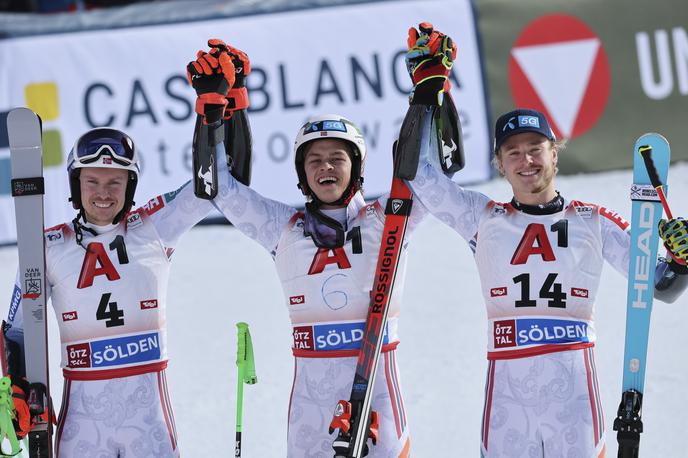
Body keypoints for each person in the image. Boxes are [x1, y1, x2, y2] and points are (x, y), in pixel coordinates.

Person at [404, 26, 688, 457]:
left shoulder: (593, 221)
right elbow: (420, 176)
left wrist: (682, 260)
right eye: (513, 152)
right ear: (500, 164)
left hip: (573, 395)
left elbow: (660, 287)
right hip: (507, 395)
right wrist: (429, 89)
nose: (527, 160)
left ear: (556, 152)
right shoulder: (483, 219)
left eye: (536, 148)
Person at [184, 38, 449, 457]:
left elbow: (431, 175)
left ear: (357, 169)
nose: (325, 167)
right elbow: (222, 192)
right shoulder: (283, 229)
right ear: (301, 174)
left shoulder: (389, 219)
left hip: (379, 398)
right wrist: (217, 110)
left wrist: (430, 94)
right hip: (310, 412)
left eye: (337, 158)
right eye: (314, 159)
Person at [2, 121, 237, 456]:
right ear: (76, 184)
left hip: (148, 419)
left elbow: (217, 182)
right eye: (92, 181)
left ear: (130, 185)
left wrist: (217, 112)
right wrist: (18, 386)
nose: (103, 193)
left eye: (115, 182)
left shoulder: (155, 227)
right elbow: (17, 331)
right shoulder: (47, 247)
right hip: (82, 421)